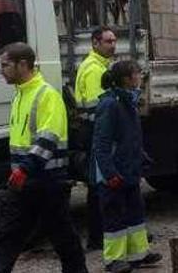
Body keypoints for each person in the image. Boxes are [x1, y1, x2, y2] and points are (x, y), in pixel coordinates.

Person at [0, 42, 88, 273]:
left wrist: (23, 170)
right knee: (8, 240)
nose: (1, 70)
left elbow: (47, 139)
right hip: (26, 183)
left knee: (62, 239)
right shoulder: (21, 95)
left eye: (5, 65)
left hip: (47, 183)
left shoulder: (46, 95)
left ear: (23, 65)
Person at [94, 60, 162, 272]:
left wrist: (140, 156)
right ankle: (113, 260)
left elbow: (128, 138)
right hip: (115, 172)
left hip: (128, 169)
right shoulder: (111, 104)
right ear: (127, 79)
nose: (140, 77)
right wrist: (109, 173)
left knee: (135, 212)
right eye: (137, 73)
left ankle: (138, 254)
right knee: (115, 216)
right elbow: (101, 144)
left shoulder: (127, 101)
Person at [74, 27, 117, 249]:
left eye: (114, 41)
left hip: (94, 131)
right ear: (95, 43)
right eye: (108, 41)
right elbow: (96, 109)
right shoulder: (94, 70)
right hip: (96, 132)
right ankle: (98, 237)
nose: (113, 45)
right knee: (99, 185)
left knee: (98, 185)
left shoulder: (99, 66)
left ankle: (100, 235)